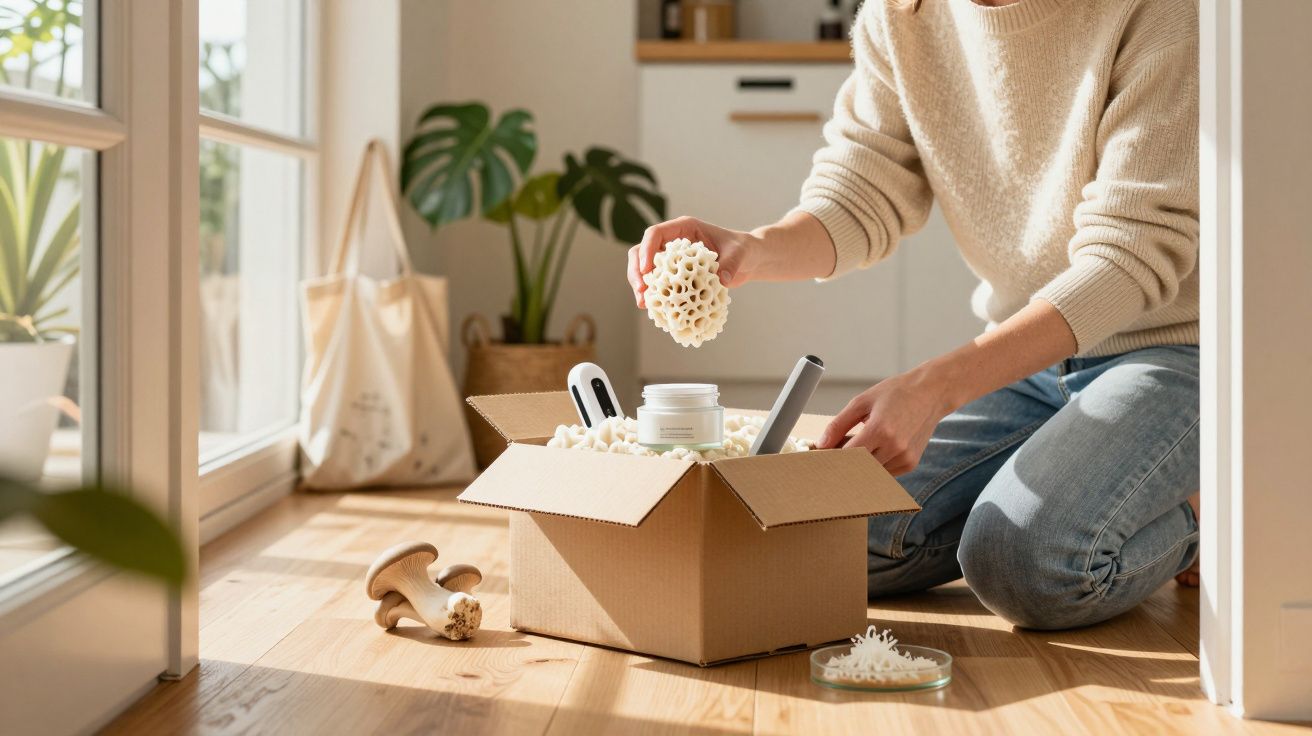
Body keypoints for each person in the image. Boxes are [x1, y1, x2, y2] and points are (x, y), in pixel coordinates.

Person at [626, 0, 1200, 630]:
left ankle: (1204, 505)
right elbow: (862, 191)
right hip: (1033, 367)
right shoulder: (903, 14)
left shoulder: (1163, 12)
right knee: (827, 533)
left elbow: (1132, 256)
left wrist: (935, 387)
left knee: (1023, 563)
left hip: (1177, 354)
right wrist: (751, 249)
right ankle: (1071, 479)